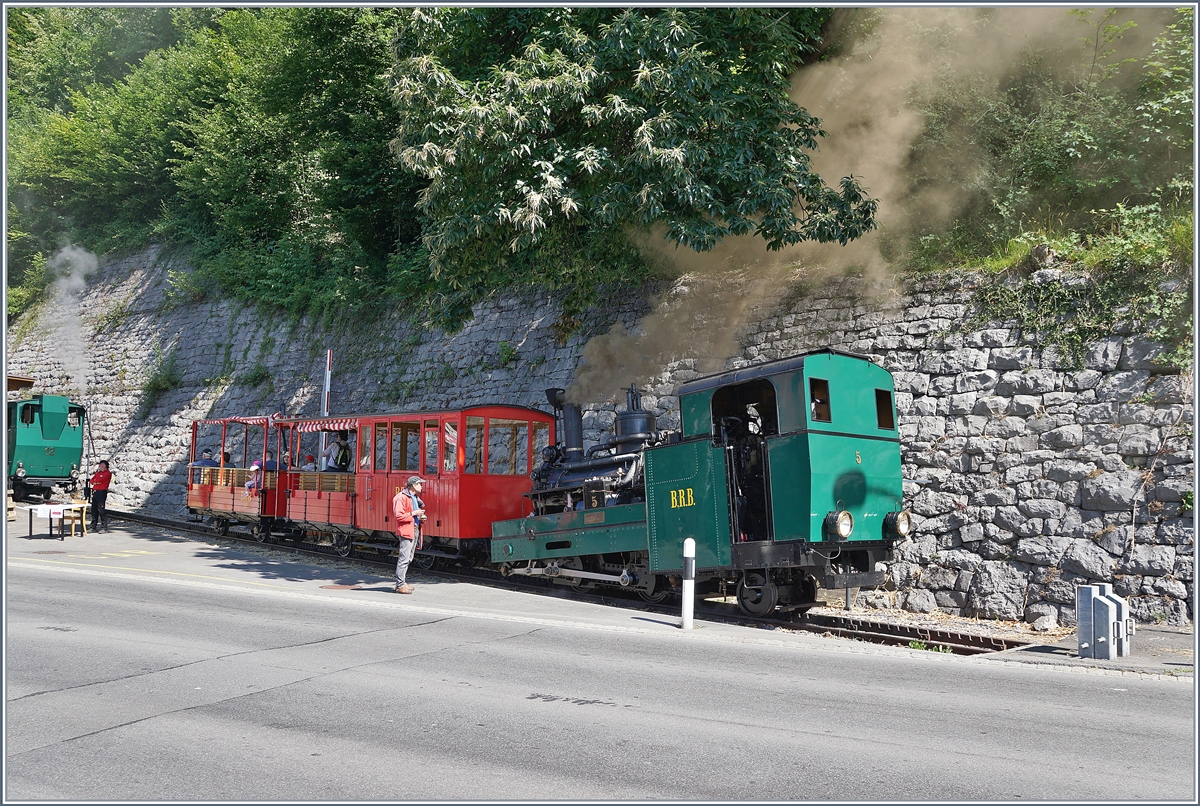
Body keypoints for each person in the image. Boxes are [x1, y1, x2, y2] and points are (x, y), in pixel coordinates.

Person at [391, 475, 426, 594]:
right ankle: (400, 585)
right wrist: (413, 513)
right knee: (404, 558)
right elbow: (399, 516)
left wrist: (421, 517)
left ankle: (402, 583)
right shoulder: (401, 498)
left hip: (414, 528)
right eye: (420, 484)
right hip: (407, 530)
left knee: (409, 557)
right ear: (413, 485)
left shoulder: (414, 497)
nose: (421, 486)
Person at [89, 460, 112, 533]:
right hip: (95, 492)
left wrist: (96, 481)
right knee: (94, 510)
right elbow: (92, 481)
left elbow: (100, 480)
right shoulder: (98, 473)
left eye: (102, 466)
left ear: (106, 467)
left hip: (101, 492)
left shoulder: (107, 473)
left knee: (101, 509)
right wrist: (95, 481)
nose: (100, 467)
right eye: (100, 465)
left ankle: (104, 527)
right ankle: (93, 527)